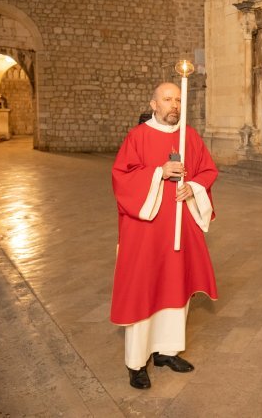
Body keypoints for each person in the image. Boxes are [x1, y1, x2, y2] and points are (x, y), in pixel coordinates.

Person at [110, 82, 219, 389]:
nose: (174, 105)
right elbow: (121, 178)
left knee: (176, 285)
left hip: (181, 226)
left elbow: (207, 171)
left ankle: (166, 352)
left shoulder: (191, 137)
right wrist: (159, 172)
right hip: (146, 231)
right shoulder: (138, 137)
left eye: (178, 100)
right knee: (145, 288)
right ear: (153, 104)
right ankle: (136, 363)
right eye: (167, 99)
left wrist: (192, 188)